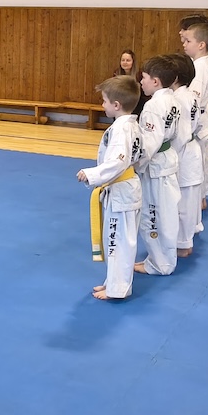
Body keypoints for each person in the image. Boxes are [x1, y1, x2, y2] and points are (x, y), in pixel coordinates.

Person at [77, 76, 144, 301]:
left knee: (118, 243)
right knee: (117, 241)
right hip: (125, 188)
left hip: (122, 191)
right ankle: (113, 283)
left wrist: (92, 174)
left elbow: (117, 162)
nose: (102, 105)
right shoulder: (130, 125)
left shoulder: (121, 129)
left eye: (104, 101)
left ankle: (118, 289)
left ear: (116, 105)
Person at [134, 56, 188, 277]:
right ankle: (161, 258)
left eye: (144, 78)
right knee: (167, 212)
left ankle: (160, 264)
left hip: (155, 165)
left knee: (153, 215)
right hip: (168, 159)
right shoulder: (173, 100)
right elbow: (181, 135)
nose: (141, 82)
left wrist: (136, 165)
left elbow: (150, 143)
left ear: (155, 81)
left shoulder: (153, 106)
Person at [165, 53, 201, 257]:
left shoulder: (178, 100)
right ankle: (187, 236)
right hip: (191, 149)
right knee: (188, 198)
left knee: (184, 201)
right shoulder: (190, 95)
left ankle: (184, 244)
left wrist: (170, 156)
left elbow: (181, 133)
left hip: (184, 151)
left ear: (175, 77)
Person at [179, 20, 208, 214]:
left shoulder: (200, 68)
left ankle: (199, 198)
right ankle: (199, 197)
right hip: (199, 120)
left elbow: (194, 100)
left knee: (198, 162)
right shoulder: (199, 64)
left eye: (189, 41)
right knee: (199, 160)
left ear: (201, 44)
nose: (184, 44)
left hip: (197, 121)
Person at [112, 48, 148, 115]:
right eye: (123, 60)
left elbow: (143, 95)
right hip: (121, 104)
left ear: (133, 62)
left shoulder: (139, 75)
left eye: (128, 60)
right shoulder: (116, 73)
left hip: (137, 105)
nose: (125, 62)